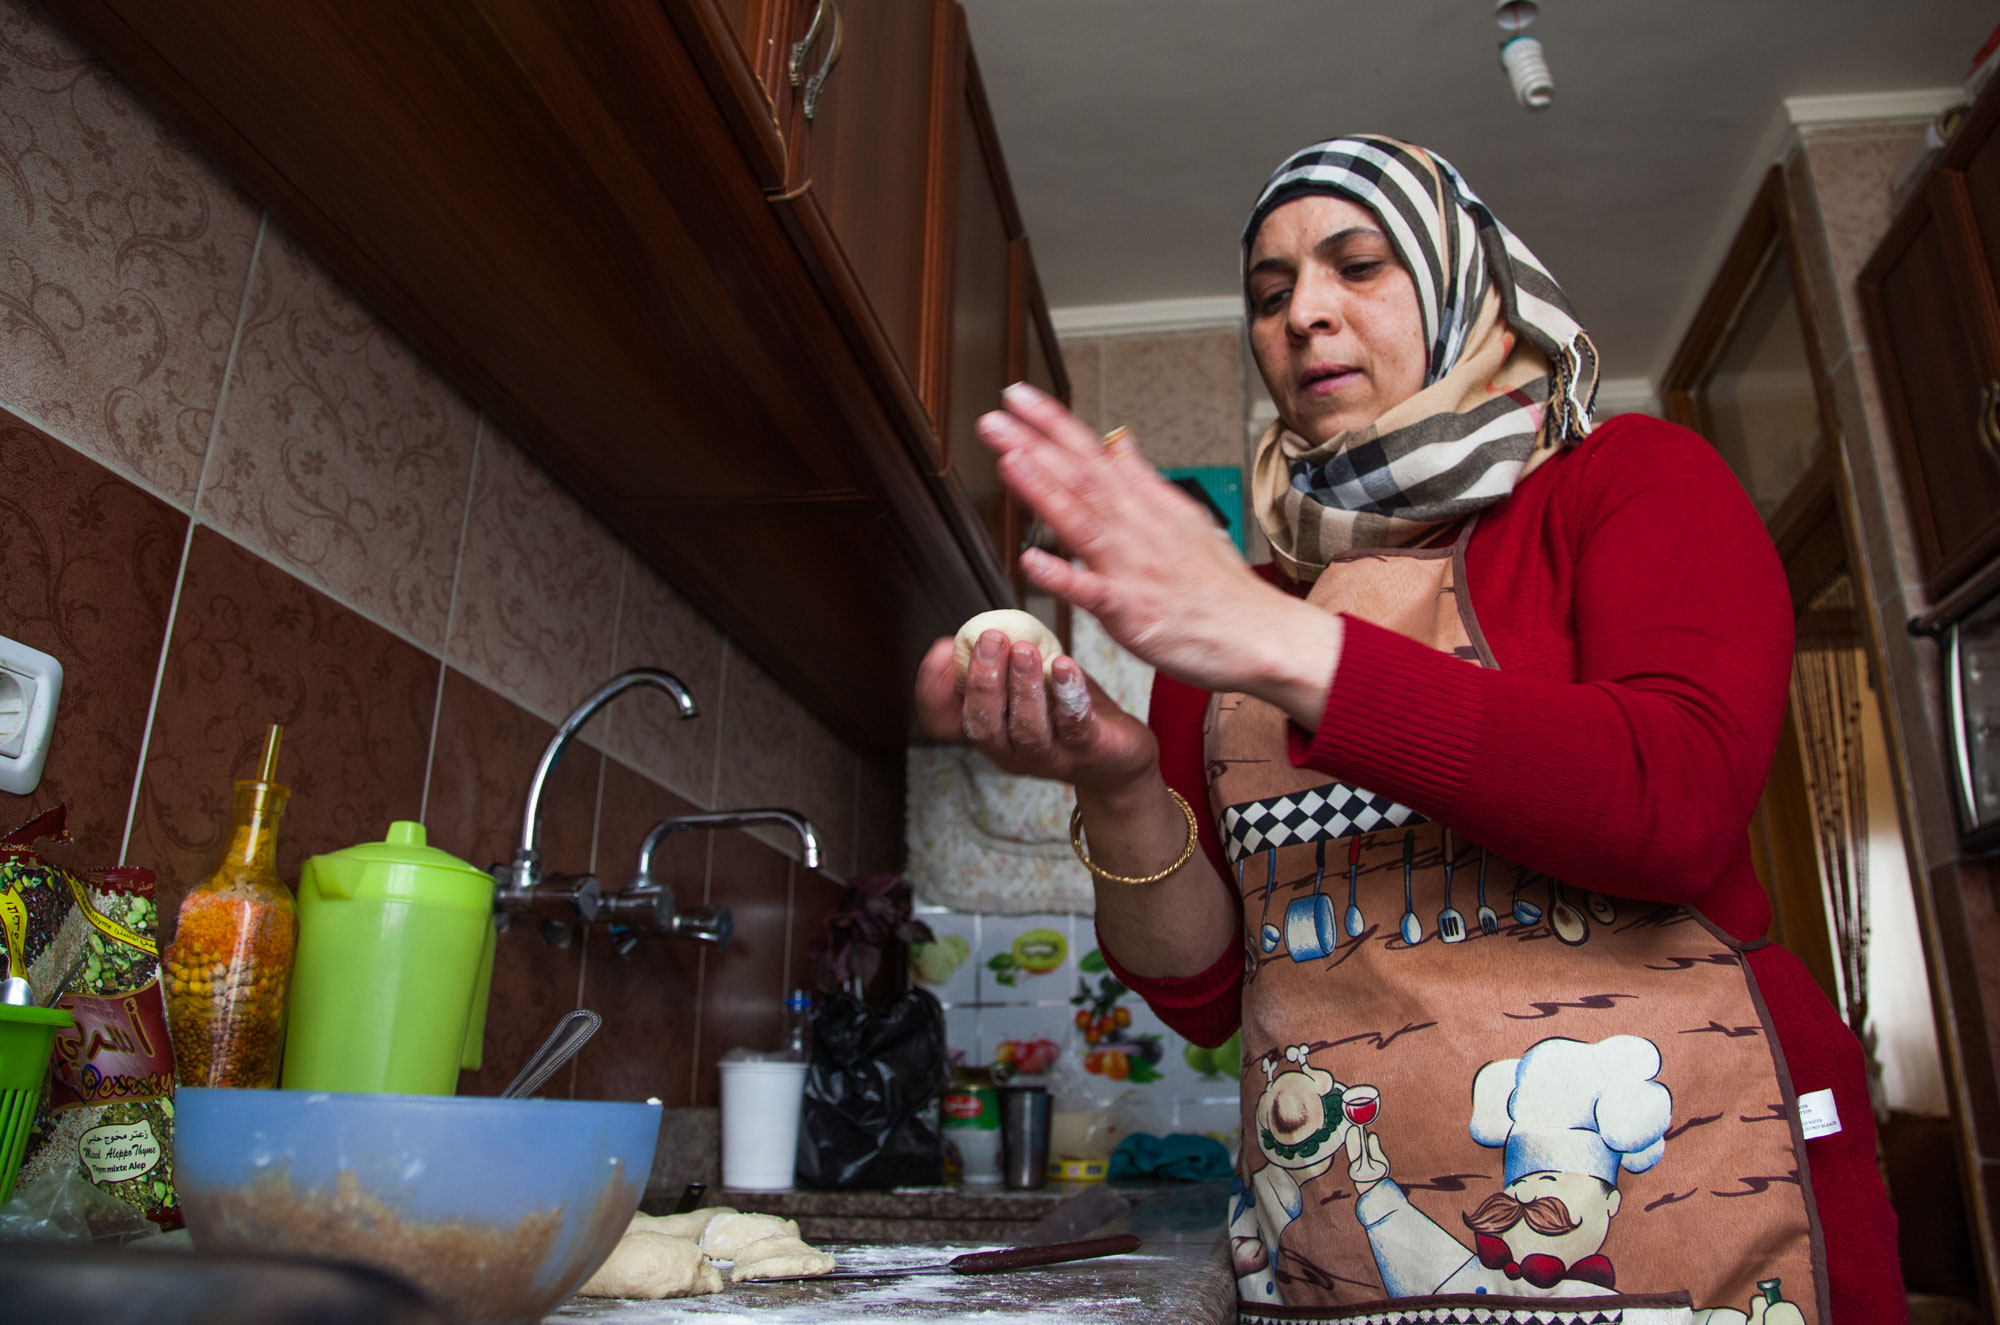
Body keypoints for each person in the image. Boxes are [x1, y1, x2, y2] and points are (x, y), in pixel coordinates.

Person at [912, 135, 1902, 1321]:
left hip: (1697, 1232)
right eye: (1269, 294)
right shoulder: (1237, 617)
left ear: (1458, 286)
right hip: (1345, 1271)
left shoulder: (1628, 482)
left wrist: (1274, 639)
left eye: (1357, 266)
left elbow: (1672, 802)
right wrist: (1117, 779)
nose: (1302, 317)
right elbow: (1209, 996)